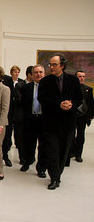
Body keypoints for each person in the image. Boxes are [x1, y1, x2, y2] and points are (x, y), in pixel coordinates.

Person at [38, 54, 83, 190]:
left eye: (54, 64)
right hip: (51, 123)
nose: (51, 67)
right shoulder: (45, 81)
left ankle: (58, 174)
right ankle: (55, 178)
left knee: (64, 151)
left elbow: (79, 98)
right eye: (50, 64)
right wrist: (59, 104)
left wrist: (71, 104)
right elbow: (42, 99)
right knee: (52, 151)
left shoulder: (73, 80)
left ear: (62, 66)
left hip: (68, 123)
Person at [19, 65, 46, 177]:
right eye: (36, 72)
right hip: (30, 120)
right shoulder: (27, 87)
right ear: (32, 74)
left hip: (43, 120)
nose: (38, 74)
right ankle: (27, 162)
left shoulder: (48, 88)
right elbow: (23, 105)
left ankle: (41, 168)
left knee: (43, 146)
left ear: (44, 74)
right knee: (29, 143)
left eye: (40, 72)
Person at [69, 70, 94, 163]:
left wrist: (91, 116)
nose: (82, 78)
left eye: (83, 76)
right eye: (79, 76)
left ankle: (79, 154)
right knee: (71, 135)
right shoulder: (71, 89)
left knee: (80, 135)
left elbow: (91, 104)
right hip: (72, 115)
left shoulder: (88, 89)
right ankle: (70, 152)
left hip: (83, 116)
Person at [8, 65, 25, 164]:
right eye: (15, 72)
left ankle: (20, 154)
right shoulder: (8, 82)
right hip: (10, 110)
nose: (16, 73)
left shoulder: (21, 82)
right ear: (11, 73)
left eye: (18, 72)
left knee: (19, 134)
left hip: (18, 111)